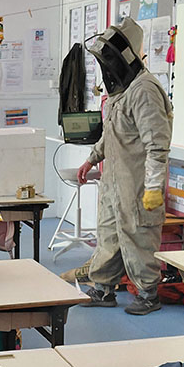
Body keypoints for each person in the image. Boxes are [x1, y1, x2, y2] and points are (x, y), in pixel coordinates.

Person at [70, 17, 173, 314]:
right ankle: (103, 289)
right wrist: (91, 159)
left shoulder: (144, 91)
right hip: (115, 181)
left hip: (138, 184)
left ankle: (148, 294)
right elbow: (112, 134)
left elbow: (157, 144)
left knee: (138, 235)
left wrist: (153, 188)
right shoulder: (121, 92)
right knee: (110, 234)